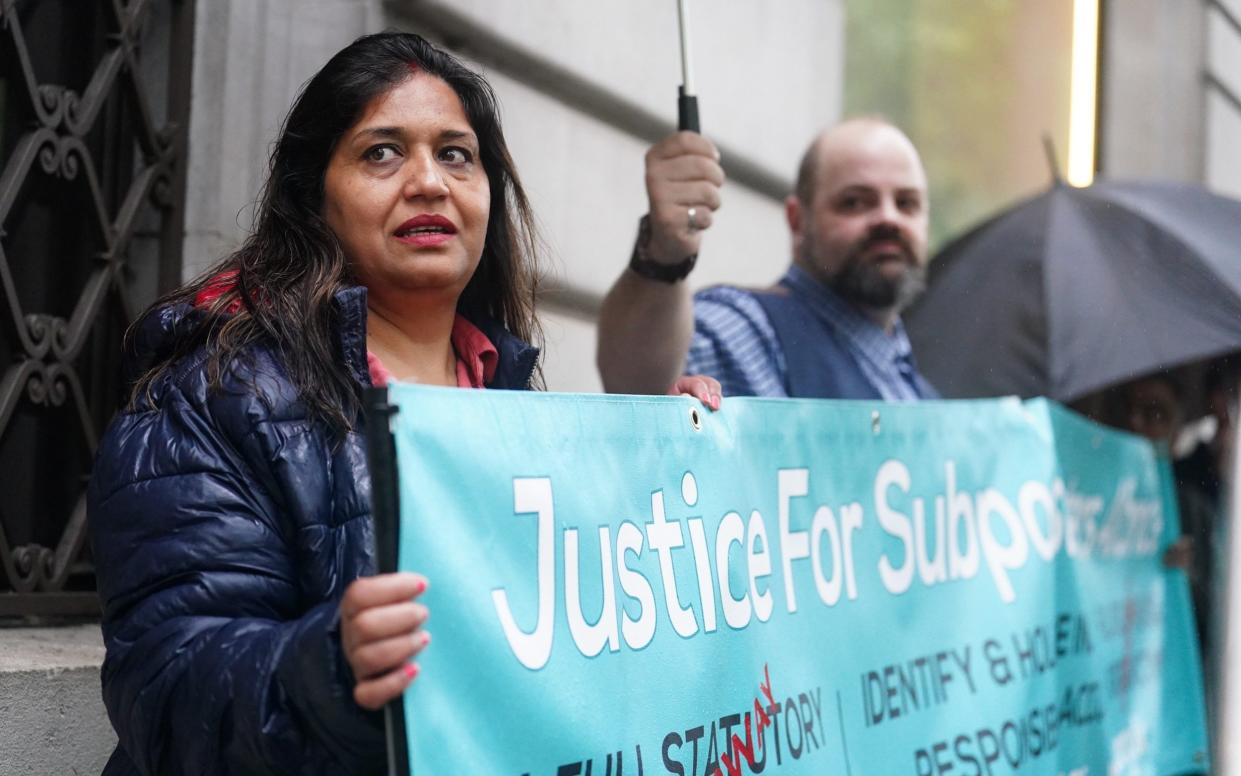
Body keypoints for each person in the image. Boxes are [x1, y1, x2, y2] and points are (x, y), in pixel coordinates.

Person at [88, 32, 715, 775]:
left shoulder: (509, 395)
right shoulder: (208, 399)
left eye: (456, 154)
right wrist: (328, 670)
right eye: (381, 152)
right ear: (311, 197)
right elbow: (165, 689)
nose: (428, 182)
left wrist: (662, 469)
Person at [597, 117, 938, 401]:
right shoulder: (749, 333)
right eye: (854, 202)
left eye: (907, 203)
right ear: (797, 220)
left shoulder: (919, 392)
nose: (888, 219)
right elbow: (639, 388)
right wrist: (663, 257)